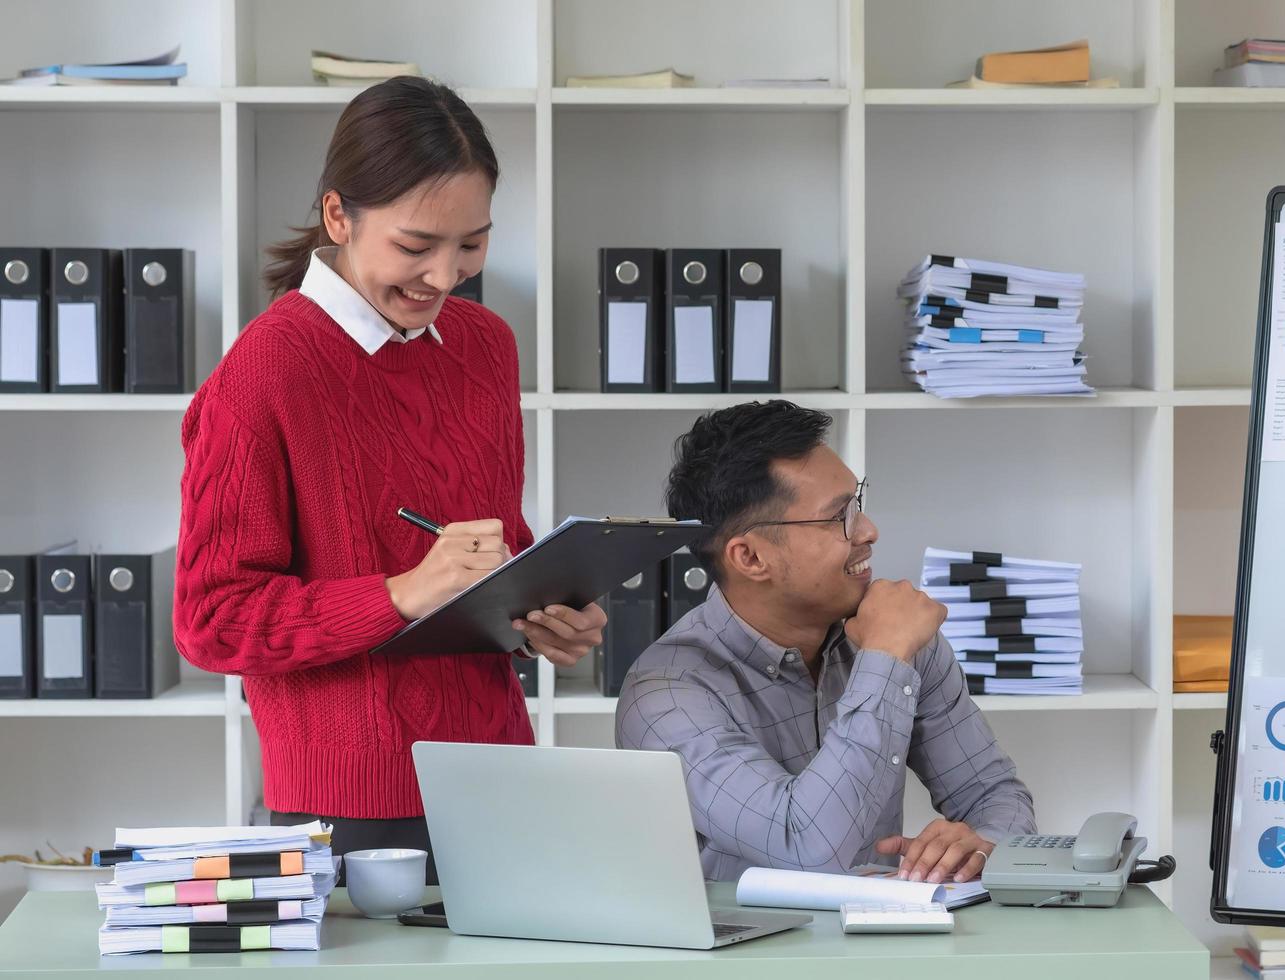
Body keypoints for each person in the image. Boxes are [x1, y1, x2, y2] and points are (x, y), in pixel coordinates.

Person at [172, 78, 607, 879]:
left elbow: (488, 552)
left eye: (472, 244)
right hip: (354, 808)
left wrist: (544, 615)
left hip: (501, 773)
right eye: (415, 247)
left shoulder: (486, 346)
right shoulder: (264, 373)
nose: (444, 276)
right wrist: (400, 593)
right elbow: (212, 619)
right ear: (338, 216)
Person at [614, 400, 1036, 884]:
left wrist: (979, 846)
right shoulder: (665, 697)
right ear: (750, 557)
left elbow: (995, 795)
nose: (869, 531)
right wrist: (885, 659)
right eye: (839, 516)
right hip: (745, 955)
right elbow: (808, 847)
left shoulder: (897, 638)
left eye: (857, 503)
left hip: (882, 945)